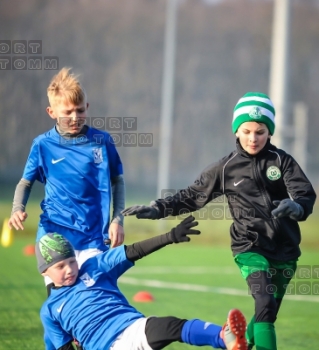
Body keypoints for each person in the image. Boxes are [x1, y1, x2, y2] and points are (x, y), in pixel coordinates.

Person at [122, 92, 317, 350]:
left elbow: (305, 194)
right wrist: (157, 208)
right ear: (236, 131)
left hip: (286, 249)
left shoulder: (282, 161)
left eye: (260, 132)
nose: (253, 138)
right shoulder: (225, 169)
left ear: (269, 132)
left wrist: (296, 207)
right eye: (246, 131)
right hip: (250, 248)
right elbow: (191, 196)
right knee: (265, 301)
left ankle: (242, 344)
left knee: (266, 314)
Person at [36, 216, 248, 350]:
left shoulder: (93, 267)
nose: (70, 269)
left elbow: (133, 251)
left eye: (72, 261)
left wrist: (170, 236)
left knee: (171, 326)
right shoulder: (50, 310)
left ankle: (225, 339)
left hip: (133, 328)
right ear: (45, 271)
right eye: (60, 266)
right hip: (104, 345)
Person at [8, 67, 125, 289]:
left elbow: (117, 181)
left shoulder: (102, 141)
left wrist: (118, 219)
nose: (75, 117)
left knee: (94, 301)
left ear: (87, 108)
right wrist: (17, 208)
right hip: (55, 233)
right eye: (68, 112)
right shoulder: (42, 145)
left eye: (80, 111)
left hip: (95, 236)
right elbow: (25, 182)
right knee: (61, 303)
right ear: (51, 112)